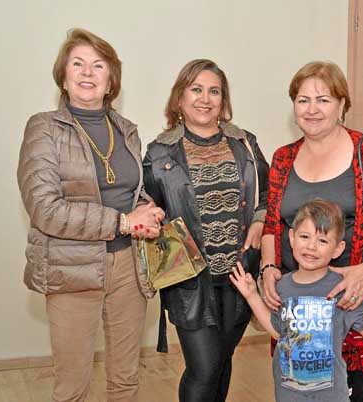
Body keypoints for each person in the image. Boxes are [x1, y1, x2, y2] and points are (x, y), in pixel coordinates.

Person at [17, 28, 165, 402]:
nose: (88, 72)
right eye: (78, 63)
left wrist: (146, 207)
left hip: (130, 268)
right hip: (72, 269)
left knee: (125, 380)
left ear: (111, 79)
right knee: (72, 388)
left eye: (98, 65)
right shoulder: (43, 128)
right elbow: (44, 209)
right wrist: (123, 222)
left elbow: (128, 189)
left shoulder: (126, 130)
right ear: (63, 76)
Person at [260, 61, 363, 402]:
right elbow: (272, 222)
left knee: (357, 390)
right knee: (301, 387)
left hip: (350, 298)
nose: (312, 109)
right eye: (303, 100)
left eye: (323, 99)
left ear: (342, 104)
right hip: (299, 304)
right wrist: (268, 268)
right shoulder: (284, 158)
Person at [142, 59, 269, 402]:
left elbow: (269, 195)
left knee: (222, 361)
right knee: (205, 367)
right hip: (188, 280)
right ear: (179, 98)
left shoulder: (245, 144)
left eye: (214, 91)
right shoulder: (158, 153)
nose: (205, 98)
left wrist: (259, 219)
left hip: (239, 275)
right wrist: (147, 213)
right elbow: (146, 207)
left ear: (223, 100)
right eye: (196, 89)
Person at [230, 199, 363, 402]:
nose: (311, 246)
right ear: (292, 238)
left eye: (322, 241)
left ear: (338, 249)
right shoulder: (283, 286)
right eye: (305, 236)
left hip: (332, 396)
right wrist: (252, 296)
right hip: (289, 394)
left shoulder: (341, 288)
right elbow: (280, 332)